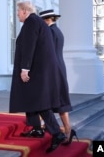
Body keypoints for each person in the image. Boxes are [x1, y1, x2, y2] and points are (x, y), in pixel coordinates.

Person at [9, 1, 66, 153]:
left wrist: (25, 69)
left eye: (18, 11)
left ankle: (57, 133)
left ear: (25, 11)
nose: (16, 14)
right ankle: (37, 128)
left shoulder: (31, 22)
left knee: (40, 101)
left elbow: (29, 46)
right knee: (31, 98)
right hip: (40, 70)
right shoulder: (37, 22)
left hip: (36, 70)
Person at [39, 9, 77, 145]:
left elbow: (45, 53)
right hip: (59, 67)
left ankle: (65, 129)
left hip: (52, 69)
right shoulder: (58, 31)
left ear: (47, 20)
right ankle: (66, 130)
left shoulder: (49, 32)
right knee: (59, 99)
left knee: (48, 98)